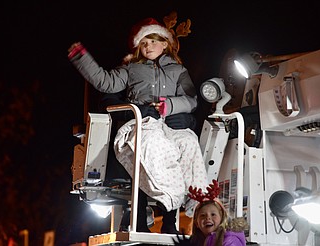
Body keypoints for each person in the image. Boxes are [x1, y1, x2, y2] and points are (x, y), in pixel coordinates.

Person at [68, 17, 208, 234]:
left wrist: (170, 106)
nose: (147, 47)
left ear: (165, 43)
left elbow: (191, 99)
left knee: (188, 142)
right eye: (143, 43)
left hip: (168, 123)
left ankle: (176, 215)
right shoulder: (131, 69)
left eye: (152, 41)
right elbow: (106, 82)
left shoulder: (178, 71)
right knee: (152, 145)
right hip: (143, 123)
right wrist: (83, 60)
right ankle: (140, 217)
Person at [186, 180, 247, 246]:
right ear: (196, 222)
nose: (208, 218)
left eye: (213, 214)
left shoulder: (230, 240)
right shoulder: (196, 242)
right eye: (202, 215)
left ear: (222, 218)